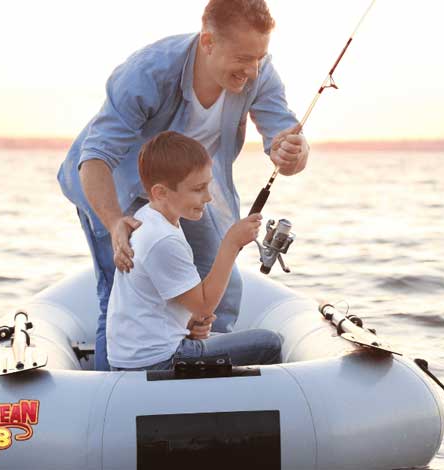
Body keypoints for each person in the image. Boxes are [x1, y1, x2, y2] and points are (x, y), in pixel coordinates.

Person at [56, 0, 309, 370]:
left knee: (222, 288)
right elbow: (96, 157)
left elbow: (285, 147)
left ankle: (201, 384)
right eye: (243, 58)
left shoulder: (260, 72)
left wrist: (294, 155)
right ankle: (116, 397)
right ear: (208, 42)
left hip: (185, 192)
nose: (252, 71)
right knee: (117, 295)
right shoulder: (148, 72)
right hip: (114, 187)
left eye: (259, 58)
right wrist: (113, 222)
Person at [108, 131, 282, 371]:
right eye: (198, 188)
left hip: (142, 354)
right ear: (161, 192)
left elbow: (165, 301)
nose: (209, 197)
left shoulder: (149, 217)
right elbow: (204, 306)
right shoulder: (163, 239)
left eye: (208, 185)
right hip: (157, 361)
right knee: (268, 343)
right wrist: (231, 242)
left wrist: (188, 324)